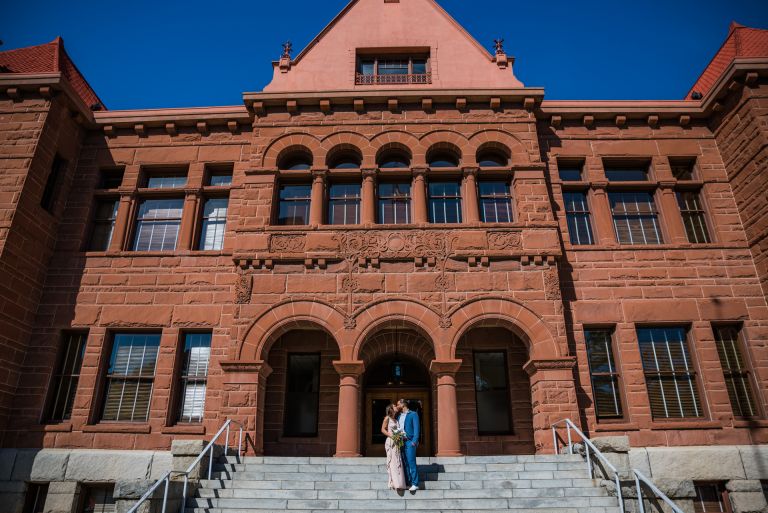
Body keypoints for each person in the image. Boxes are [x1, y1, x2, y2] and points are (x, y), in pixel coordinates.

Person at [381, 404, 407, 490]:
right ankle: (394, 482)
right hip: (391, 441)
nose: (396, 407)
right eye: (395, 406)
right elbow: (383, 429)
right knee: (392, 461)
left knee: (397, 461)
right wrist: (392, 436)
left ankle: (400, 483)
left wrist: (399, 436)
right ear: (391, 409)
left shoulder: (396, 420)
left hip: (397, 442)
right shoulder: (387, 418)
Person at [397, 398, 420, 492]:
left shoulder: (413, 414)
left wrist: (414, 442)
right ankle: (408, 483)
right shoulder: (398, 416)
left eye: (398, 404)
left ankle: (415, 483)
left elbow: (417, 429)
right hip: (401, 442)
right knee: (405, 463)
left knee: (411, 463)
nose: (397, 406)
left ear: (403, 405)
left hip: (410, 442)